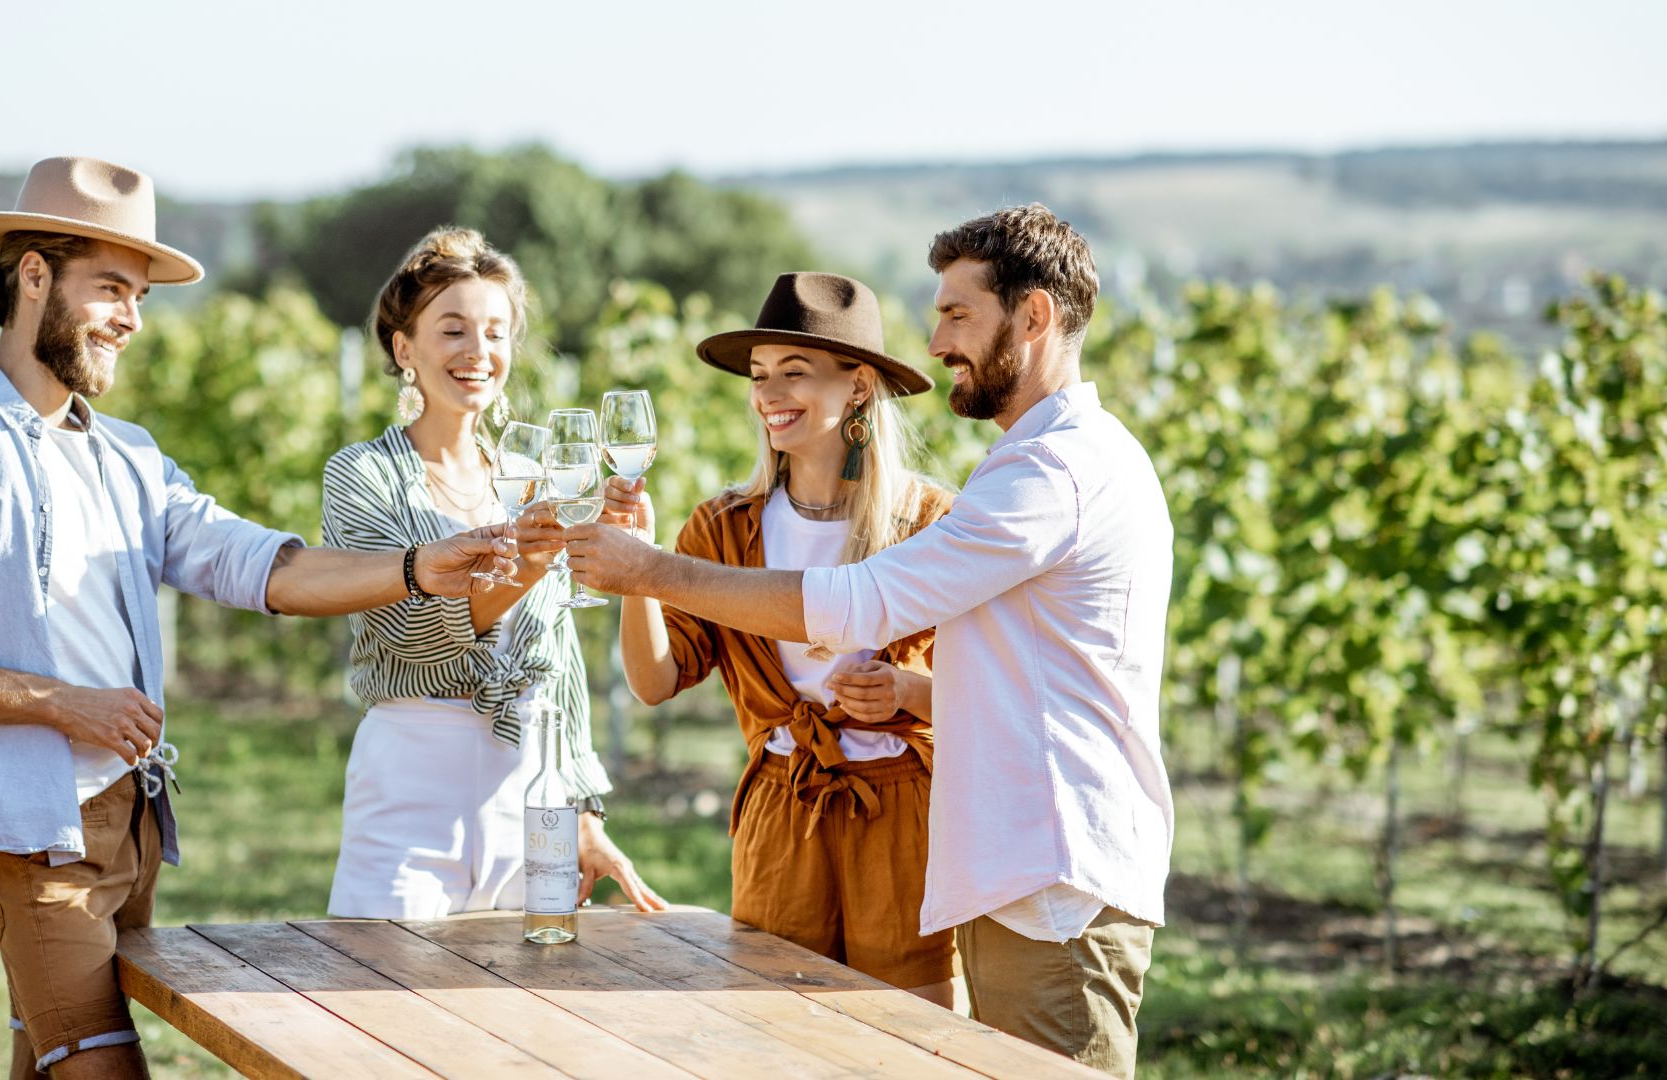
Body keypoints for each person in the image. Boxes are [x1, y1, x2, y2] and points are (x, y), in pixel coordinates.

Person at [0, 157, 514, 1080]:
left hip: (130, 823)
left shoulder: (128, 457)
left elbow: (257, 564)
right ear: (33, 275)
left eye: (140, 296)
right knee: (102, 1066)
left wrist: (420, 567)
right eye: (112, 289)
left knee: (50, 1059)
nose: (133, 320)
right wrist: (65, 705)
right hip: (32, 837)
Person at [564, 205, 1173, 1079]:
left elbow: (863, 602)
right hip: (1010, 863)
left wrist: (647, 571)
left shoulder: (1047, 472)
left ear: (1033, 317)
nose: (938, 341)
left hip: (1049, 872)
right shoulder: (1037, 461)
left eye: (958, 315)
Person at [600, 272, 955, 1004]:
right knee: (775, 1030)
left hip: (903, 818)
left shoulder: (931, 523)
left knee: (913, 1036)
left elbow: (992, 693)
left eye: (794, 373)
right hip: (783, 812)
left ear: (858, 386)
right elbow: (654, 682)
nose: (768, 394)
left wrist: (908, 692)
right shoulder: (724, 527)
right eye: (760, 376)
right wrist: (639, 568)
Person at [321, 226, 664, 921]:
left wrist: (584, 809)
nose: (479, 353)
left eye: (497, 333)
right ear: (404, 349)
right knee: (383, 1002)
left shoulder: (536, 482)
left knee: (526, 1010)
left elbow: (558, 662)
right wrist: (531, 565)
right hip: (413, 779)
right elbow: (408, 630)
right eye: (453, 331)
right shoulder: (361, 476)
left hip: (530, 790)